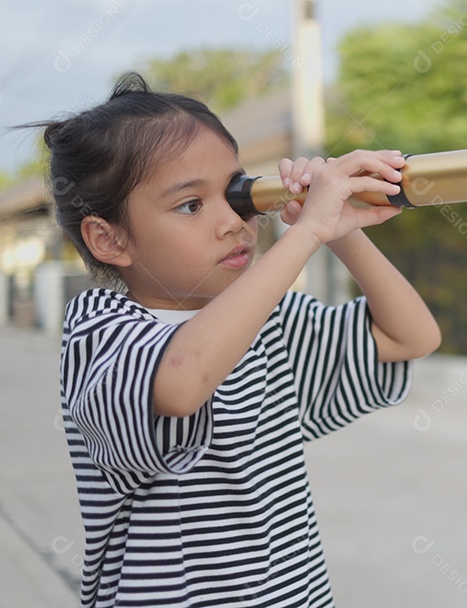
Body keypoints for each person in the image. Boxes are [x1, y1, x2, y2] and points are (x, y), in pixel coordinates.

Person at [34, 72, 441, 607]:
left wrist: (343, 232)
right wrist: (305, 234)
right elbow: (182, 382)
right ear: (108, 238)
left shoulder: (267, 318)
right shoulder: (101, 327)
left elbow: (410, 337)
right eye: (190, 205)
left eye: (234, 193)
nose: (234, 222)